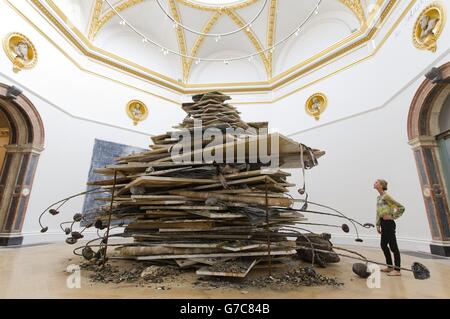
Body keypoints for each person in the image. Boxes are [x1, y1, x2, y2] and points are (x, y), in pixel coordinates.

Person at [373, 179, 405, 276]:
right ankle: (390, 266)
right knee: (383, 245)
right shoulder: (379, 198)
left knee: (393, 246)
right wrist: (378, 224)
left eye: (376, 182)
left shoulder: (386, 197)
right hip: (383, 223)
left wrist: (392, 216)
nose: (374, 183)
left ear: (381, 185)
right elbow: (378, 212)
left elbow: (401, 207)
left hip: (389, 223)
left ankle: (397, 270)